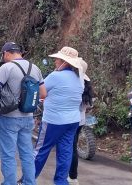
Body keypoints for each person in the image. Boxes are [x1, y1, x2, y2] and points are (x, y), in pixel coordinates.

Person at [33, 47, 85, 185]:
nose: (55, 61)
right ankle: (61, 181)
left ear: (64, 62)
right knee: (65, 152)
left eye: (57, 59)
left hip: (54, 121)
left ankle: (28, 179)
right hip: (73, 121)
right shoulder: (79, 78)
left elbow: (41, 92)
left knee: (41, 150)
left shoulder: (55, 76)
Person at [0, 42, 44, 185]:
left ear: (7, 53)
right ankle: (30, 182)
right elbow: (43, 93)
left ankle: (9, 183)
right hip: (28, 117)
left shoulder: (6, 68)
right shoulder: (35, 68)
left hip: (9, 117)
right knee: (27, 154)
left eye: (3, 55)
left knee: (8, 154)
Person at [68, 61, 93, 185]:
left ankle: (72, 177)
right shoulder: (86, 84)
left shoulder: (74, 83)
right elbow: (88, 105)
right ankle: (73, 176)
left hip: (69, 120)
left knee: (69, 148)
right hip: (80, 120)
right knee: (73, 147)